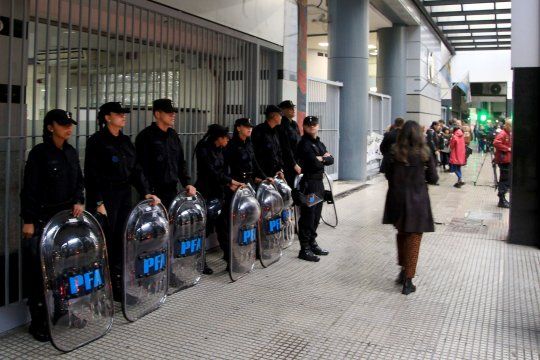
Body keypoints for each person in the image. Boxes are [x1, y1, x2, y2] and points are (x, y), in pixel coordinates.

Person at [84, 102, 160, 300]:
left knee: (121, 238)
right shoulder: (97, 141)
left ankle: (118, 286)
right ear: (107, 117)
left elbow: (136, 169)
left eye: (123, 114)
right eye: (118, 114)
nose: (123, 117)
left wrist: (145, 192)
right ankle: (102, 288)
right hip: (106, 197)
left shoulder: (125, 141)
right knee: (107, 241)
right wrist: (98, 201)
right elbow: (92, 174)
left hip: (124, 194)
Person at [20, 109, 84, 341]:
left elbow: (79, 181)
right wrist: (28, 220)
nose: (69, 128)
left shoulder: (70, 152)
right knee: (40, 272)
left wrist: (79, 200)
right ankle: (38, 321)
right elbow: (30, 190)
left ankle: (62, 311)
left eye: (70, 124)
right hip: (42, 220)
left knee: (64, 269)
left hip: (64, 221)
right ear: (50, 127)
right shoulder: (39, 154)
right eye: (63, 124)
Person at [382, 120, 438, 295]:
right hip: (417, 201)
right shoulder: (424, 153)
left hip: (397, 199)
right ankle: (408, 280)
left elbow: (386, 173)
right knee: (414, 237)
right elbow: (434, 177)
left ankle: (402, 271)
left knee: (402, 233)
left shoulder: (394, 152)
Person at [195, 124, 243, 271]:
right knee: (205, 228)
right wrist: (230, 181)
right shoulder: (203, 149)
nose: (228, 140)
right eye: (225, 138)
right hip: (207, 192)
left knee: (223, 226)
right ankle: (199, 261)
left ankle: (230, 259)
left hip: (219, 192)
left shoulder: (220, 150)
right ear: (219, 138)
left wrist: (228, 183)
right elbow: (210, 172)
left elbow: (222, 170)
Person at [135, 99, 196, 209]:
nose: (173, 115)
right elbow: (139, 168)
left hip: (172, 191)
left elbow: (180, 162)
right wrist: (146, 192)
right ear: (157, 114)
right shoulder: (145, 137)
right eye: (168, 112)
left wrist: (187, 183)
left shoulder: (173, 135)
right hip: (153, 194)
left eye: (173, 112)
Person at [295, 116, 333, 262]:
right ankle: (304, 248)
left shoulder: (319, 143)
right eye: (309, 125)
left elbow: (331, 160)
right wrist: (323, 159)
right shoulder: (304, 144)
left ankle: (312, 243)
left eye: (314, 124)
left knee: (316, 216)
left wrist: (321, 159)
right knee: (308, 216)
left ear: (318, 126)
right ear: (304, 127)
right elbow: (313, 163)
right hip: (309, 184)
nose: (312, 127)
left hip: (318, 184)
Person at [251, 105, 285, 180]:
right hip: (262, 175)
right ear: (274, 116)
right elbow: (254, 154)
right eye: (280, 115)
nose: (281, 117)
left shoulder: (275, 132)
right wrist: (257, 175)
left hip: (275, 174)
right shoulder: (259, 130)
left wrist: (280, 169)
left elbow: (278, 152)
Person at [277, 100, 302, 187]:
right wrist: (294, 164)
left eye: (293, 108)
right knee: (291, 186)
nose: (293, 110)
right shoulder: (282, 125)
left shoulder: (294, 124)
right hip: (288, 163)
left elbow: (299, 141)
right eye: (290, 108)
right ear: (283, 111)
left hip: (297, 160)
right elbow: (285, 147)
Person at [493, 119, 512, 208]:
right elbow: (496, 143)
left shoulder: (507, 133)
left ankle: (503, 198)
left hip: (506, 160)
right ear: (507, 126)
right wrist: (507, 149)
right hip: (504, 160)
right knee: (504, 180)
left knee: (506, 179)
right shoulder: (503, 133)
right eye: (511, 126)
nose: (512, 128)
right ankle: (501, 200)